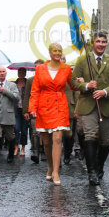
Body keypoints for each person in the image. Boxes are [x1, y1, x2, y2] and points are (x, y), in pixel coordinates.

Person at [71, 31, 109, 185]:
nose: (101, 44)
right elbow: (73, 82)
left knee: (106, 141)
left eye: (104, 42)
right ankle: (91, 171)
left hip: (106, 105)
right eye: (98, 41)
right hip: (87, 105)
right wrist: (87, 85)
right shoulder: (82, 60)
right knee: (90, 136)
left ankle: (100, 166)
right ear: (93, 43)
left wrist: (105, 91)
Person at [29, 43, 73, 186]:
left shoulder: (66, 68)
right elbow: (35, 90)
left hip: (60, 105)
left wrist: (81, 82)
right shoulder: (40, 69)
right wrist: (32, 108)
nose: (58, 53)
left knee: (58, 138)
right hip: (44, 106)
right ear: (49, 53)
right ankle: (50, 166)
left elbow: (72, 85)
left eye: (60, 51)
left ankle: (56, 172)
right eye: (55, 51)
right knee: (46, 142)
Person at [23, 59, 44, 163]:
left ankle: (44, 151)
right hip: (34, 110)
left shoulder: (48, 79)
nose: (38, 69)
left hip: (46, 110)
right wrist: (26, 111)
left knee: (45, 132)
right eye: (36, 67)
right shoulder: (30, 80)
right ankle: (35, 152)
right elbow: (26, 96)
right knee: (35, 131)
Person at [14, 68, 28, 157]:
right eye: (19, 72)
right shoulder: (14, 84)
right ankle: (16, 147)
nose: (21, 74)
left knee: (24, 129)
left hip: (25, 109)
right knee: (16, 128)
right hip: (16, 109)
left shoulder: (28, 83)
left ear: (25, 73)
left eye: (23, 72)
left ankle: (23, 147)